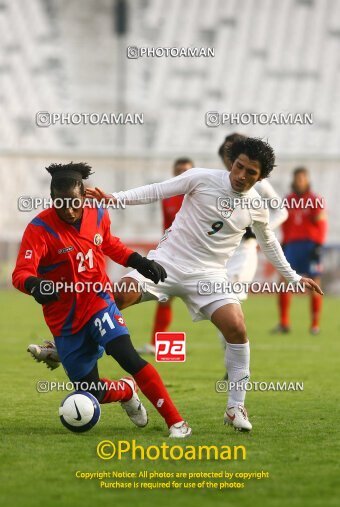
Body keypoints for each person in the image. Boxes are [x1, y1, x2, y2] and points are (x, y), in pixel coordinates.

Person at [84, 137, 322, 432]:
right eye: (239, 166)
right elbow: (157, 190)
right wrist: (114, 198)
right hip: (168, 262)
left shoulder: (256, 207)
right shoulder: (202, 178)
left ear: (260, 177)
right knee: (119, 296)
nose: (241, 176)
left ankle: (235, 407)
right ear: (231, 162)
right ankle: (64, 345)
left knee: (236, 327)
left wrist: (294, 277)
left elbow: (269, 242)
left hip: (209, 276)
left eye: (251, 173)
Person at [12, 162, 191, 438]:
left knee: (128, 356)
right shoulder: (39, 229)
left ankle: (177, 423)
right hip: (65, 321)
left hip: (98, 301)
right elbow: (21, 273)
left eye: (74, 203)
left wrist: (140, 262)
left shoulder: (96, 211)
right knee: (89, 391)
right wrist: (36, 285)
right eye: (60, 204)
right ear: (52, 200)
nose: (68, 211)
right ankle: (125, 390)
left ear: (84, 196)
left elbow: (108, 244)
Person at [218, 133, 288, 300]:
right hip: (220, 249)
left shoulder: (259, 183)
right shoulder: (219, 181)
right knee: (215, 300)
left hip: (243, 250)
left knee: (230, 299)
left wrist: (257, 231)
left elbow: (281, 211)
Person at [138, 157, 194, 355]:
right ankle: (156, 344)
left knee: (213, 304)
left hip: (198, 257)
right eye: (179, 170)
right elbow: (167, 227)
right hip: (173, 255)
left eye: (186, 170)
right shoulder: (168, 198)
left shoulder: (199, 195)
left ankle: (232, 348)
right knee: (164, 297)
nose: (182, 174)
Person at [273, 167, 327, 335]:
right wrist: (283, 243)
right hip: (291, 246)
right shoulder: (287, 200)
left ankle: (315, 324)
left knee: (315, 283)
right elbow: (284, 223)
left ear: (307, 180)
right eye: (297, 178)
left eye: (303, 178)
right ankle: (284, 323)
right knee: (283, 282)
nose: (300, 181)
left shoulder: (314, 200)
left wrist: (319, 244)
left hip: (310, 245)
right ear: (294, 179)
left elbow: (322, 222)